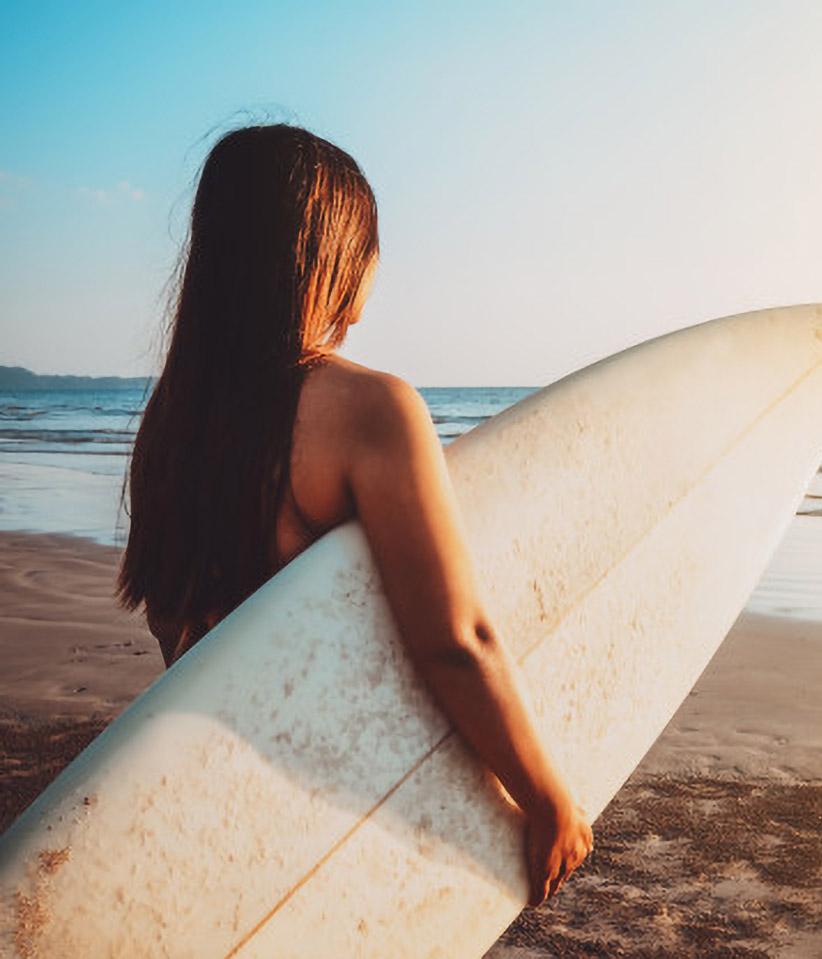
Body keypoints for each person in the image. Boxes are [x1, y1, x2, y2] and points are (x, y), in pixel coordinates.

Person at [117, 124, 591, 907]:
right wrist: (546, 799)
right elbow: (456, 642)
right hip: (357, 805)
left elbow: (174, 629)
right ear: (328, 252)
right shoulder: (370, 408)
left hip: (238, 800)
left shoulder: (168, 426)